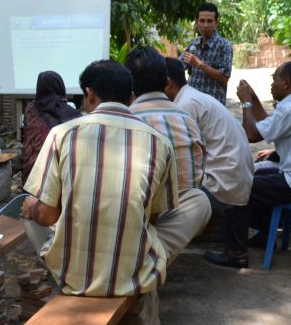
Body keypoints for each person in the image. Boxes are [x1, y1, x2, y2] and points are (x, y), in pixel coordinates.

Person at [21, 60, 212, 298]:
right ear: (131, 98)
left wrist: (33, 208)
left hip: (71, 275)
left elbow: (48, 215)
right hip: (134, 275)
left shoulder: (62, 134)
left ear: (89, 94)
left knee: (31, 208)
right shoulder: (158, 143)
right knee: (198, 200)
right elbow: (151, 216)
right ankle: (140, 260)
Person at [204, 61, 291, 269]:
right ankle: (266, 231)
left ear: (286, 83)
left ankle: (235, 252)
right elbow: (269, 124)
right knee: (256, 178)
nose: (271, 84)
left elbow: (251, 134)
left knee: (239, 184)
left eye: (274, 79)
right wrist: (255, 99)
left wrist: (246, 103)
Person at [163, 57, 254, 258]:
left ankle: (161, 250)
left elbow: (183, 157)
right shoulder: (191, 97)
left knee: (163, 191)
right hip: (233, 176)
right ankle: (233, 248)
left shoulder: (185, 106)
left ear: (168, 83)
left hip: (224, 181)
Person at [126, 47, 205, 192]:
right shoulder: (188, 120)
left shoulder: (127, 122)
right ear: (167, 82)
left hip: (148, 212)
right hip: (192, 210)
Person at [21, 71, 80, 184]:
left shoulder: (30, 108)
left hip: (29, 172)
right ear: (60, 86)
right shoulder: (70, 114)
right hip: (54, 177)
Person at [181, 2, 233, 104]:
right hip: (192, 103)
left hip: (213, 106)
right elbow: (180, 66)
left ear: (216, 22)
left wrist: (200, 64)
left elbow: (225, 77)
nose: (205, 25)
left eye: (209, 21)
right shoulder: (193, 43)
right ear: (196, 22)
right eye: (202, 21)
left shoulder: (225, 45)